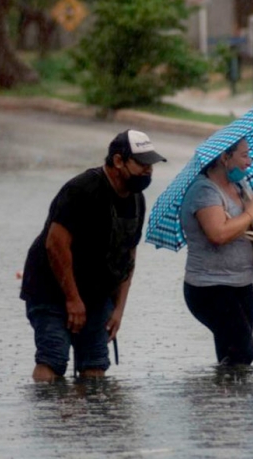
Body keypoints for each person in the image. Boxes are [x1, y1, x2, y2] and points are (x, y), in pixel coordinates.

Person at [20, 129, 166, 381]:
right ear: (118, 161)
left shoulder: (137, 200)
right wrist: (72, 299)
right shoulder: (82, 190)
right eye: (142, 164)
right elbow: (55, 245)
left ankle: (92, 420)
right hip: (50, 288)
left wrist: (119, 309)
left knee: (96, 365)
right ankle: (48, 416)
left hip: (98, 293)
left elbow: (128, 257)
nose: (148, 171)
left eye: (151, 165)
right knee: (53, 357)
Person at [179, 138, 253, 366]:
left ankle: (224, 399)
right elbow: (218, 234)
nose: (249, 162)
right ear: (225, 158)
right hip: (209, 288)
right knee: (244, 350)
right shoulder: (204, 191)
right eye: (244, 156)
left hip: (242, 284)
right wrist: (250, 215)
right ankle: (222, 397)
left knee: (233, 356)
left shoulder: (239, 184)